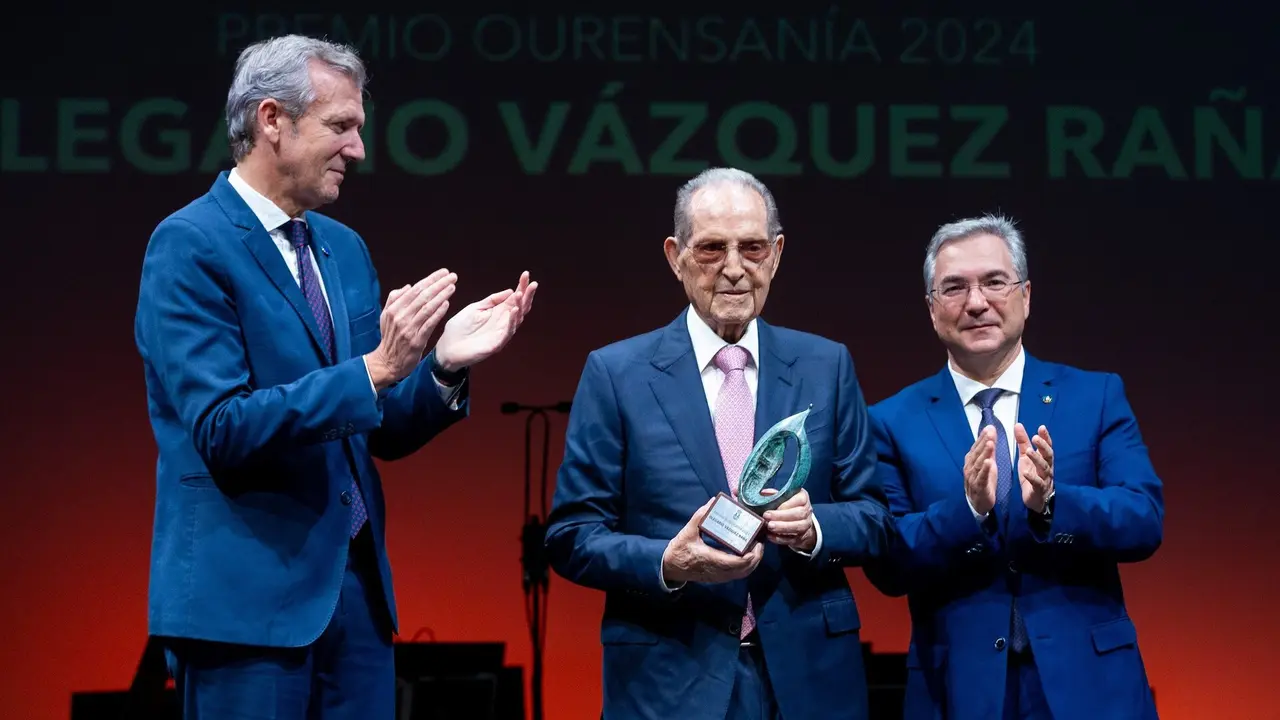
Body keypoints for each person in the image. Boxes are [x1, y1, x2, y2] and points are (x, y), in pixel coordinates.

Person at [133, 35, 537, 719]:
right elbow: (223, 427)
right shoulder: (191, 244)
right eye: (341, 126)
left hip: (354, 600)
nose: (359, 149)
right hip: (245, 611)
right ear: (272, 121)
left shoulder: (341, 249)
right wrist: (376, 367)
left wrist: (442, 365)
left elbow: (372, 424)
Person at [544, 167, 892, 720]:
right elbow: (571, 536)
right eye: (710, 249)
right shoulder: (616, 374)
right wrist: (669, 562)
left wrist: (815, 528)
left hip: (808, 679)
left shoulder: (827, 366)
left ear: (776, 254)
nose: (734, 269)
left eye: (752, 248)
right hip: (669, 680)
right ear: (675, 256)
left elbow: (875, 516)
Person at [865, 214, 1162, 719]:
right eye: (954, 288)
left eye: (994, 282)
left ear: (1026, 295)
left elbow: (1143, 518)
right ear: (932, 310)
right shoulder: (891, 420)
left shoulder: (1095, 395)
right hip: (956, 690)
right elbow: (887, 560)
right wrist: (969, 512)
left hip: (1090, 687)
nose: (976, 303)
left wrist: (1052, 504)